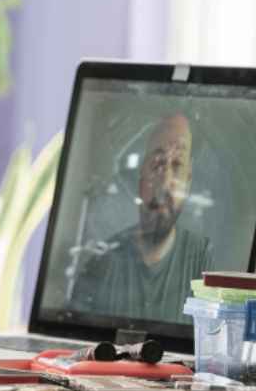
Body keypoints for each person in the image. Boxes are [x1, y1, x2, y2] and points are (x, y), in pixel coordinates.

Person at [72, 113, 211, 324]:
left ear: (189, 180)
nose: (164, 183)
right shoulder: (101, 264)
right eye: (157, 164)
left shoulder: (204, 262)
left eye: (177, 166)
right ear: (140, 174)